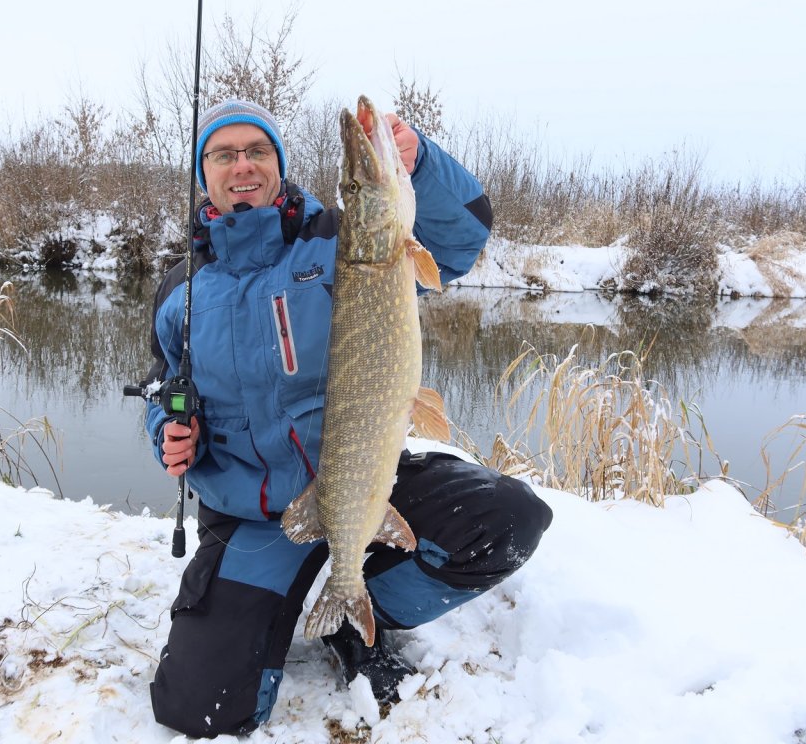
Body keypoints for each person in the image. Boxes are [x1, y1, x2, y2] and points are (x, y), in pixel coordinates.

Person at [144, 98, 552, 738]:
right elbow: (161, 384)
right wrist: (168, 431)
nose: (242, 164)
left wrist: (418, 165)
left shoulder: (340, 243)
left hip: (363, 473)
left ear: (278, 163)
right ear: (206, 173)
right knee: (196, 710)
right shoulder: (180, 289)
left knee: (508, 518)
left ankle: (365, 611)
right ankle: (299, 595)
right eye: (224, 154)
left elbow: (463, 236)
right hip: (257, 517)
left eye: (258, 150)